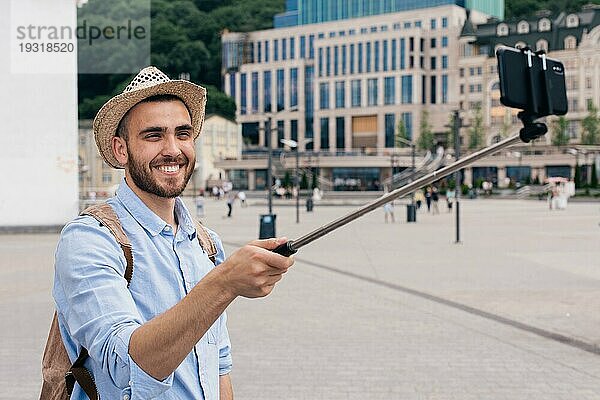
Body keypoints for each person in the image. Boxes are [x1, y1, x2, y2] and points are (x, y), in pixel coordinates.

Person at [53, 66, 294, 400]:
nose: (173, 149)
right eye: (154, 135)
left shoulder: (207, 244)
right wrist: (223, 283)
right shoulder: (90, 239)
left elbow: (218, 365)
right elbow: (124, 367)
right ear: (121, 150)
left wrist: (222, 280)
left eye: (183, 134)